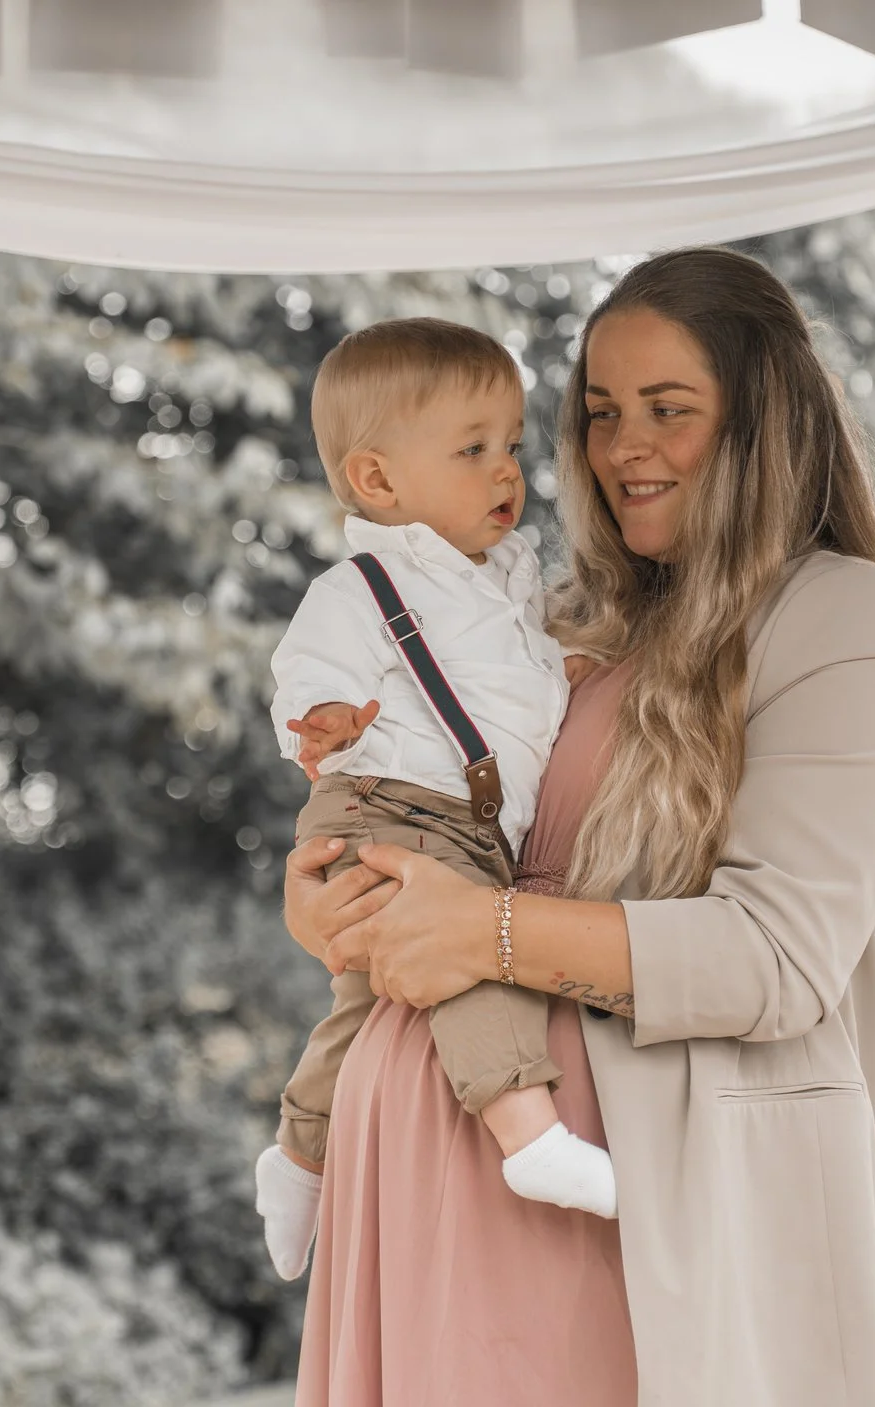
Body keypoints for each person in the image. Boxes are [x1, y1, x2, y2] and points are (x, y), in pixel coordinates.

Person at [286, 246, 875, 1407]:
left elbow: (776, 957)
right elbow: (417, 818)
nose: (622, 448)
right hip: (425, 1188)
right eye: (601, 413)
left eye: (667, 410)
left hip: (632, 1226)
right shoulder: (556, 630)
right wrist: (335, 902)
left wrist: (484, 932)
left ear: (762, 422)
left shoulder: (844, 622)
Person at [255, 318, 616, 1284]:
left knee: (365, 1003)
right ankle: (527, 1131)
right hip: (391, 809)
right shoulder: (363, 585)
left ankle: (298, 1157)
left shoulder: (506, 579)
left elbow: (512, 681)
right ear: (377, 480)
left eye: (511, 445)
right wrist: (323, 718)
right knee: (466, 959)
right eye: (472, 450)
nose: (506, 471)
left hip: (464, 823)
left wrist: (570, 672)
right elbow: (306, 672)